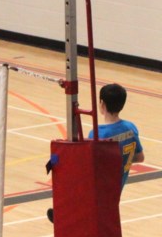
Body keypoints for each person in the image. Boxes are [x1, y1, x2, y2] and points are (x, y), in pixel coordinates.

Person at [46, 83, 144, 223]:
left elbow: (87, 164)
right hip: (116, 189)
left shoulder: (98, 133)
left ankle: (64, 214)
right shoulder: (130, 128)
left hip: (100, 188)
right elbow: (140, 157)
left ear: (101, 104)